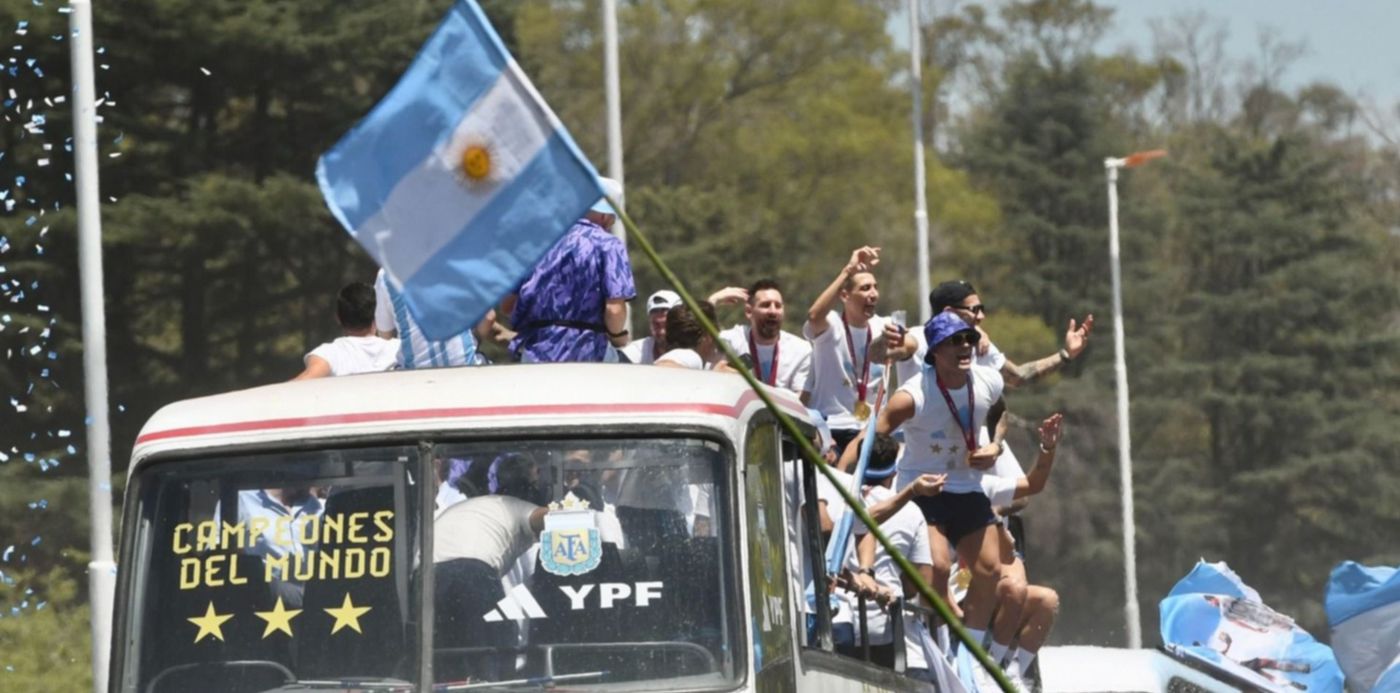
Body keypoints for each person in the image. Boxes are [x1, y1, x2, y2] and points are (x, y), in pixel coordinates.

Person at [838, 311, 1009, 689]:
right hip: (923, 489)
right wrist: (839, 474)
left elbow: (1001, 413)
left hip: (966, 487)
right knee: (939, 570)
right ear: (935, 350)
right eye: (954, 341)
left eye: (968, 339)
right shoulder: (913, 394)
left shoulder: (987, 380)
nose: (965, 347)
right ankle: (936, 646)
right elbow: (872, 436)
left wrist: (994, 446)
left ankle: (972, 654)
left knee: (991, 572)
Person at [504, 178, 636, 362]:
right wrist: (617, 336)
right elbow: (614, 310)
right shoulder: (609, 245)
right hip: (588, 355)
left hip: (535, 355)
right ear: (606, 216)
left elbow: (508, 305)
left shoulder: (536, 243)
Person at [805, 246, 916, 455]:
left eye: (875, 287)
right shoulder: (831, 325)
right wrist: (848, 270)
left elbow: (913, 341)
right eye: (865, 288)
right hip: (832, 427)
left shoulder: (884, 326)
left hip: (872, 429)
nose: (873, 294)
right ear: (845, 295)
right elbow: (813, 316)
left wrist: (903, 344)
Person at [846, 434, 936, 671]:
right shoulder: (912, 512)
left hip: (839, 623)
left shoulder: (837, 499)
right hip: (885, 627)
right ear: (894, 473)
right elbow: (920, 581)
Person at [374, 269, 495, 369]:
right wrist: (475, 339)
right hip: (464, 365)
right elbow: (489, 317)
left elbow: (386, 337)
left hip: (414, 373)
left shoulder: (386, 275)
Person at [718, 279, 813, 400]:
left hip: (783, 414)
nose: (773, 311)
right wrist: (713, 301)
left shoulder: (801, 350)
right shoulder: (732, 341)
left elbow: (802, 400)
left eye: (778, 306)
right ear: (748, 311)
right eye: (765, 305)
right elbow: (696, 338)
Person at [293, 281, 398, 379]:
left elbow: (299, 384)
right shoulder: (399, 350)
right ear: (377, 314)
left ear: (338, 318)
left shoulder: (329, 354)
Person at [620, 290, 681, 364]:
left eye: (665, 324)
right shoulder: (638, 350)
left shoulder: (691, 351)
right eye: (656, 325)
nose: (661, 332)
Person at [655, 301, 721, 370]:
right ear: (708, 336)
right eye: (715, 335)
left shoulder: (690, 360)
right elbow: (664, 366)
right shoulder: (690, 356)